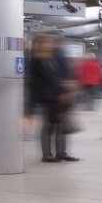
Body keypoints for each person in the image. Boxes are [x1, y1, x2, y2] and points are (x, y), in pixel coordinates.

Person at [25, 35, 76, 163]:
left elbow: (58, 77)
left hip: (58, 96)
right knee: (49, 125)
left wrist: (65, 90)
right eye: (44, 43)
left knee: (61, 125)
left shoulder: (52, 59)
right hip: (47, 97)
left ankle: (61, 152)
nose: (48, 45)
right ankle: (47, 154)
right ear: (38, 45)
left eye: (49, 43)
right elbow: (45, 80)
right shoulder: (35, 61)